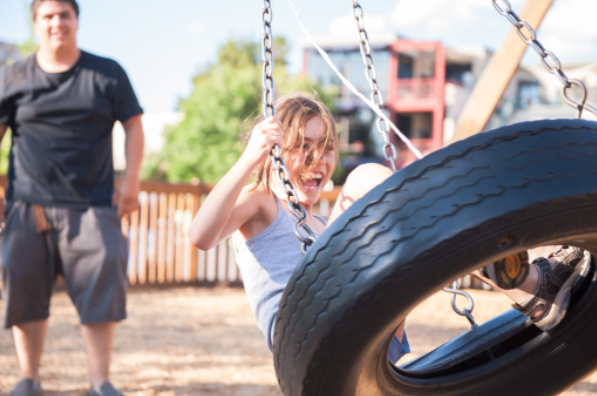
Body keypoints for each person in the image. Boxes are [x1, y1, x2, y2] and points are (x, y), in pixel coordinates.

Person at [188, 93, 588, 361]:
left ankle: (526, 286)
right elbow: (200, 236)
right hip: (308, 339)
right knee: (365, 183)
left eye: (326, 147)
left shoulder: (322, 223)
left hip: (373, 338)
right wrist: (248, 159)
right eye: (303, 148)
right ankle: (526, 279)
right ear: (273, 153)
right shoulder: (262, 202)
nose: (318, 160)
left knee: (381, 204)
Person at [0, 1, 144, 395]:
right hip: (28, 206)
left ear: (76, 20)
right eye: (47, 16)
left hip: (95, 206)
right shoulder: (12, 77)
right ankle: (29, 379)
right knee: (24, 291)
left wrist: (130, 182)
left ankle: (100, 382)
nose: (57, 22)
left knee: (102, 292)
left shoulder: (107, 73)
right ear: (36, 24)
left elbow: (133, 126)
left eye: (64, 14)